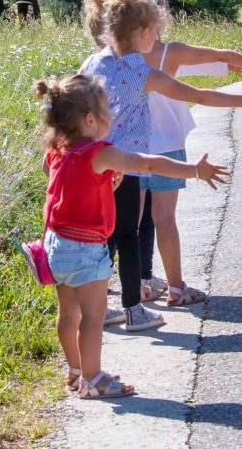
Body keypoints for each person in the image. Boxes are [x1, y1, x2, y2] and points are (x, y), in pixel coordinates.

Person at [80, 0, 242, 330]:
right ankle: (149, 300)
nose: (157, 35)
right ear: (143, 31)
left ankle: (106, 301)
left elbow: (73, 101)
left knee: (111, 234)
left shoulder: (94, 63)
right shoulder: (143, 71)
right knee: (139, 230)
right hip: (139, 161)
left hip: (102, 163)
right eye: (154, 28)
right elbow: (199, 95)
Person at [31, 75, 228, 398]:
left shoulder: (57, 149)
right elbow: (147, 163)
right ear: (90, 120)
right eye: (108, 110)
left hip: (55, 243)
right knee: (93, 317)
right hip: (85, 246)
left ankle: (76, 369)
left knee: (68, 313)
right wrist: (194, 169)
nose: (112, 116)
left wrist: (93, 184)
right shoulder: (100, 153)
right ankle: (93, 380)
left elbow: (50, 172)